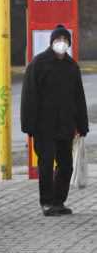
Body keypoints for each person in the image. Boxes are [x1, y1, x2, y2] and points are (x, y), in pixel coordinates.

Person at [21, 24, 89, 216]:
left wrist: (82, 125)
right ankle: (47, 202)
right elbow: (29, 96)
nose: (62, 43)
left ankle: (59, 201)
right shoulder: (38, 64)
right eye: (58, 40)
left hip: (65, 126)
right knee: (46, 163)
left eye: (65, 41)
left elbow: (79, 97)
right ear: (52, 42)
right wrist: (28, 125)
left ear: (69, 44)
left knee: (66, 164)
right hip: (44, 127)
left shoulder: (71, 66)